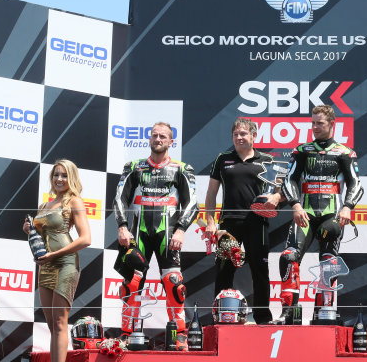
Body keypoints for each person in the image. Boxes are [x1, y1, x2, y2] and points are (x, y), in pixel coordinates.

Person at [274, 105, 364, 324]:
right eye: (313, 122)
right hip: (304, 214)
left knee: (328, 262)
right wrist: (295, 205)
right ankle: (290, 311)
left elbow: (356, 184)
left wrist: (347, 207)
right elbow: (289, 180)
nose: (315, 127)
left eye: (319, 123)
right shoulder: (302, 150)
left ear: (332, 124)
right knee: (288, 256)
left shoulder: (345, 152)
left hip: (331, 215)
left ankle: (323, 311)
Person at [113, 122, 198, 349]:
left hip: (168, 235)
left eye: (163, 136)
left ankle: (179, 334)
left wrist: (180, 230)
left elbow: (192, 204)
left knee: (174, 284)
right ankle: (126, 334)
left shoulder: (182, 169)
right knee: (132, 282)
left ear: (171, 142)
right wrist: (122, 226)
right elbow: (120, 199)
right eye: (154, 135)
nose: (158, 139)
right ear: (149, 139)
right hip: (138, 234)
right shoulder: (134, 167)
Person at [204, 118, 283, 324]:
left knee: (260, 270)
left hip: (258, 223)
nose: (239, 137)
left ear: (254, 136)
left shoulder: (266, 159)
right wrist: (210, 222)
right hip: (228, 223)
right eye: (236, 134)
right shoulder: (223, 159)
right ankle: (221, 316)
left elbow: (280, 190)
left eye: (243, 134)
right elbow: (211, 193)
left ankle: (263, 317)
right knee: (224, 269)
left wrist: (276, 198)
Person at [22, 159, 91, 362]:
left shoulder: (74, 201)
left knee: (60, 322)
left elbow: (86, 238)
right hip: (46, 265)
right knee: (52, 324)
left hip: (66, 263)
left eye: (64, 175)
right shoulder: (44, 204)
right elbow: (41, 238)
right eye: (56, 175)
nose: (59, 179)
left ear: (71, 178)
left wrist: (54, 255)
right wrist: (29, 230)